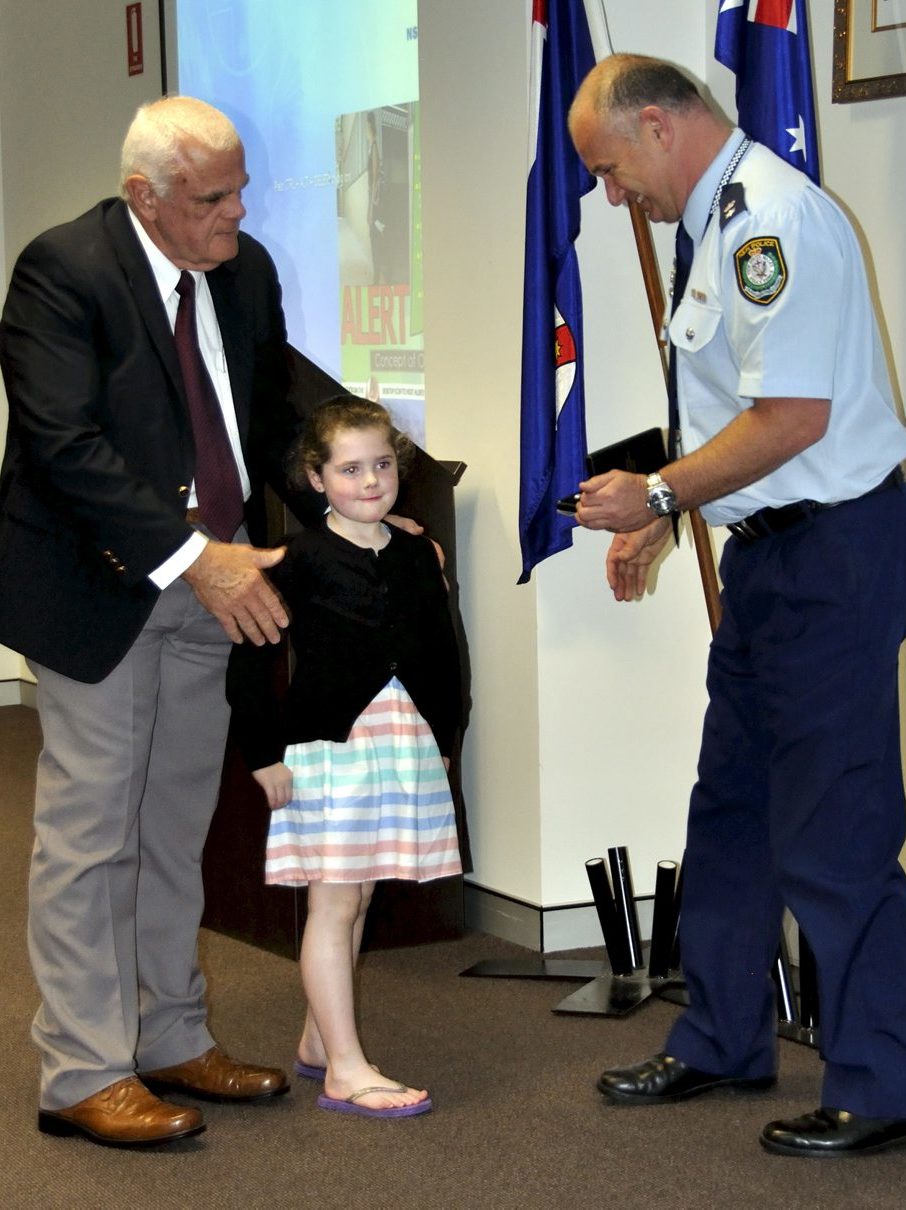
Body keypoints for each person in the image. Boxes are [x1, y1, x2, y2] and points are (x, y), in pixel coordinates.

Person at [567, 55, 906, 1158]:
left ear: (657, 125)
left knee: (837, 826)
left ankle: (893, 1081)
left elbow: (791, 419)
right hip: (773, 557)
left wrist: (656, 490)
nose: (609, 193)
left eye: (608, 166)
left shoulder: (767, 220)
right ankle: (723, 1035)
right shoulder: (718, 222)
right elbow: (740, 414)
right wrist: (668, 513)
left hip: (834, 553)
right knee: (730, 807)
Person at [0, 96, 330, 1147]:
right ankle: (82, 1070)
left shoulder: (247, 268)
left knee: (173, 829)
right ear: (145, 197)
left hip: (210, 587)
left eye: (241, 188)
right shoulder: (65, 270)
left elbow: (270, 416)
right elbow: (63, 443)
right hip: (101, 584)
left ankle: (173, 1034)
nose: (239, 211)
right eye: (213, 197)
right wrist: (198, 558)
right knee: (92, 835)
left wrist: (350, 500)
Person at [226, 395, 463, 1119]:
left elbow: (444, 653)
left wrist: (446, 738)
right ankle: (346, 1070)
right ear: (316, 477)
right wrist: (262, 754)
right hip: (329, 747)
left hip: (402, 739)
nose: (370, 481)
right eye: (351, 468)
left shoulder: (419, 552)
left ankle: (315, 1041)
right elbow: (250, 655)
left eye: (383, 464)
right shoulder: (297, 559)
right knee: (333, 900)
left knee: (358, 894)